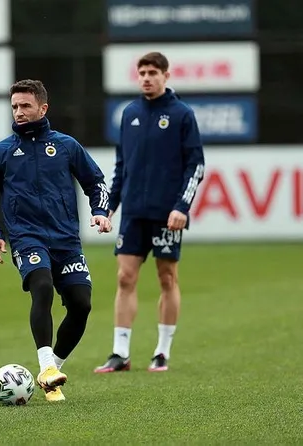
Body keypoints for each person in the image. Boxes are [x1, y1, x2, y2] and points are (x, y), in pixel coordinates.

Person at [0, 79, 112, 402]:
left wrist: (100, 212)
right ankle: (47, 366)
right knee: (42, 285)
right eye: (14, 106)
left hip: (66, 239)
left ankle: (52, 374)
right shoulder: (2, 151)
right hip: (27, 237)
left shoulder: (66, 146)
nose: (18, 112)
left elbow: (95, 182)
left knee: (81, 305)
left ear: (43, 108)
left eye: (25, 105)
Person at [93, 52, 205, 374]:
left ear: (166, 76)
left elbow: (196, 166)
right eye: (141, 72)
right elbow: (121, 167)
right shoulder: (129, 113)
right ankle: (120, 353)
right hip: (133, 212)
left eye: (152, 72)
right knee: (124, 277)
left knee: (167, 277)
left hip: (167, 214)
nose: (146, 78)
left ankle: (162, 352)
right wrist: (108, 208)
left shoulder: (182, 114)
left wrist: (181, 207)